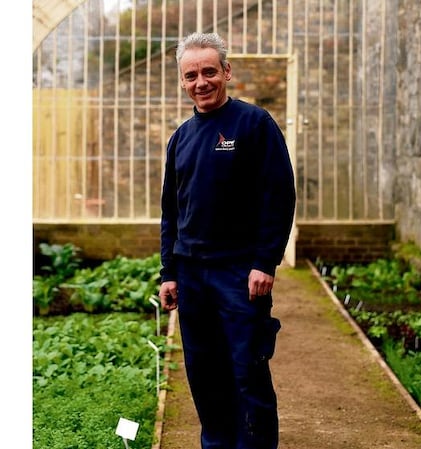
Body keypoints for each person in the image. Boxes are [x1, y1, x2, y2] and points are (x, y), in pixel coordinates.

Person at [159, 32, 296, 449]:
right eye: (191, 75)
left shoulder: (255, 125)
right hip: (193, 277)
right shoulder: (181, 138)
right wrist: (169, 272)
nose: (201, 82)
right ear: (182, 82)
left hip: (240, 275)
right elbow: (171, 212)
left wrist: (265, 261)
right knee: (204, 375)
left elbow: (280, 195)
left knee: (247, 373)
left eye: (208, 72)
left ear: (226, 72)